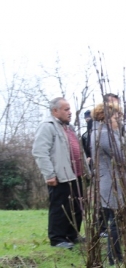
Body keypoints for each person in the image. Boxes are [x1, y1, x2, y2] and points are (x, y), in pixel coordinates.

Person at [32, 97, 84, 249]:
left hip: (75, 175)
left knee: (75, 207)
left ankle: (71, 235)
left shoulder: (69, 128)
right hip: (60, 176)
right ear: (55, 111)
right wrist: (49, 174)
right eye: (66, 109)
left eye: (69, 109)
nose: (70, 112)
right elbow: (40, 152)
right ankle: (57, 239)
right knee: (60, 207)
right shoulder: (47, 126)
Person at [90, 102, 125, 265]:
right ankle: (115, 258)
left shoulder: (99, 132)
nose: (120, 120)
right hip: (112, 183)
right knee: (116, 221)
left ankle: (116, 256)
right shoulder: (105, 134)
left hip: (109, 182)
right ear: (107, 117)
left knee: (114, 220)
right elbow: (121, 156)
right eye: (117, 116)